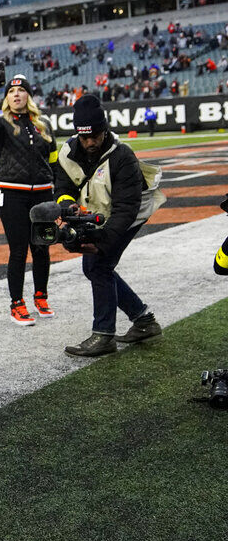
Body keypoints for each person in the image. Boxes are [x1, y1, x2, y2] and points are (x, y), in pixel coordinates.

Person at [56, 95, 165, 356]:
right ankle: (143, 321)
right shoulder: (68, 152)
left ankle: (104, 335)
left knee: (99, 265)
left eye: (96, 135)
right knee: (95, 267)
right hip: (97, 213)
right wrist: (68, 207)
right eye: (85, 137)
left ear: (105, 129)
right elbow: (63, 187)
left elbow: (126, 209)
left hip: (129, 214)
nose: (90, 142)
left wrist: (102, 241)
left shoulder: (122, 156)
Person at [0, 71, 57, 325]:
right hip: (11, 193)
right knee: (19, 250)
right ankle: (17, 303)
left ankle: (41, 296)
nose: (16, 94)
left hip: (43, 193)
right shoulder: (1, 124)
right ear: (7, 98)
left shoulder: (43, 124)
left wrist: (60, 193)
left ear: (28, 95)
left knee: (42, 247)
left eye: (20, 90)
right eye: (11, 91)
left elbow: (54, 160)